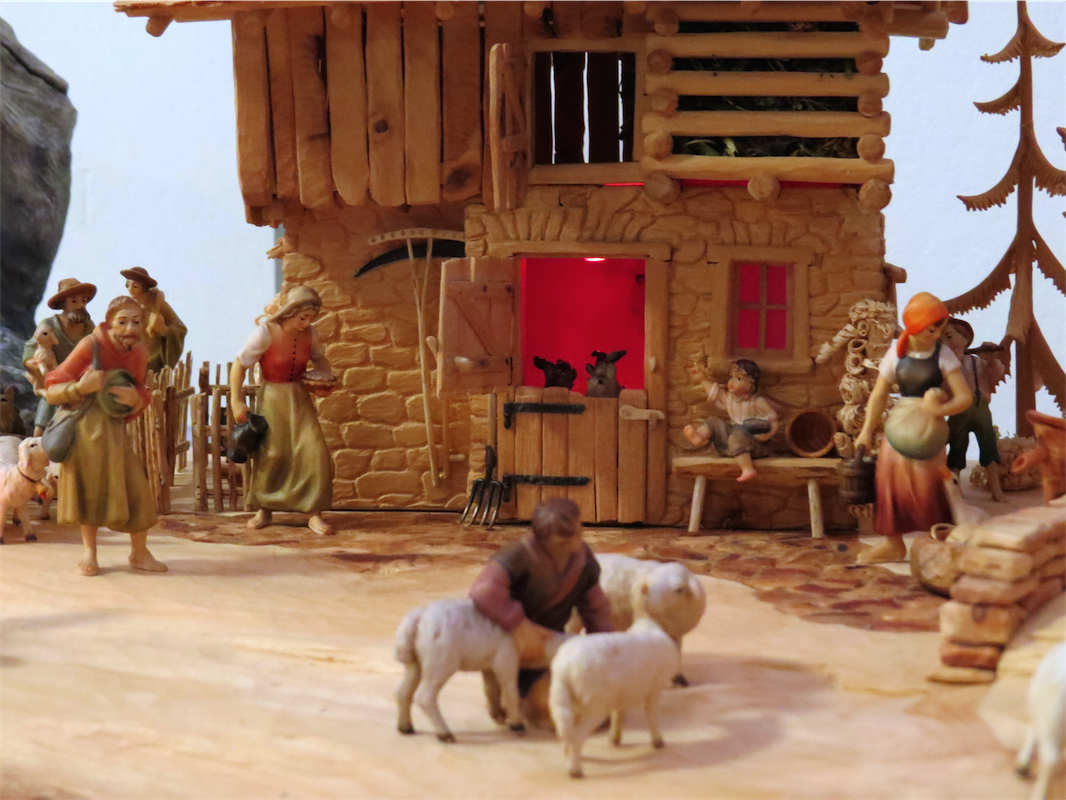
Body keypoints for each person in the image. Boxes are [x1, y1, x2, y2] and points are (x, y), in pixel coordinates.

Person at [44, 296, 167, 576]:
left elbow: (141, 389)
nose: (130, 329)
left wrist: (137, 399)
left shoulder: (139, 352)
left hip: (115, 433)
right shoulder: (91, 345)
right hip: (84, 433)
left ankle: (139, 552)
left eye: (136, 322)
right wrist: (80, 388)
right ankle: (90, 552)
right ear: (110, 322)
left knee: (136, 491)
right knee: (89, 493)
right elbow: (52, 389)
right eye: (122, 322)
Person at [469, 497, 614, 726]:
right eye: (563, 541)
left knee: (594, 702)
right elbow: (484, 591)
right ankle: (516, 699)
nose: (575, 542)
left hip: (551, 641)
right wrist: (518, 625)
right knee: (551, 712)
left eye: (577, 532)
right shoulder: (519, 555)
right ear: (542, 539)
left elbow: (595, 607)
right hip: (511, 643)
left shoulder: (582, 559)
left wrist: (605, 645)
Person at [854, 293, 973, 564]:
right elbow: (879, 395)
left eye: (941, 329)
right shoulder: (896, 353)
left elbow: (964, 398)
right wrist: (866, 431)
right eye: (932, 329)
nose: (937, 335)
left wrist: (938, 411)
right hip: (899, 427)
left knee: (930, 486)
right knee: (889, 484)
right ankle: (892, 544)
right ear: (916, 325)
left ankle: (938, 541)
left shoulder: (943, 355)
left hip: (929, 430)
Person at [229, 284, 336, 536]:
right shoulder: (265, 332)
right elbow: (240, 364)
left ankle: (315, 511)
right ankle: (264, 509)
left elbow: (320, 359)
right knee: (272, 453)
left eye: (311, 318)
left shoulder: (310, 334)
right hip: (272, 397)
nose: (306, 323)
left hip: (299, 397)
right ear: (290, 311)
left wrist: (324, 378)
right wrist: (236, 400)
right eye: (303, 317)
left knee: (313, 451)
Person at [941, 317, 1007, 502]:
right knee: (957, 448)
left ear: (965, 339)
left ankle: (996, 489)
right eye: (940, 340)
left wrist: (992, 361)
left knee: (989, 447)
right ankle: (955, 490)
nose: (945, 343)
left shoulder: (977, 362)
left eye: (949, 337)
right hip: (958, 412)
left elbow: (995, 375)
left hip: (981, 410)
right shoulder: (945, 366)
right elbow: (942, 388)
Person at [683, 358, 779, 481]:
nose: (732, 382)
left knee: (737, 437)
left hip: (754, 445)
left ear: (750, 385)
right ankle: (699, 437)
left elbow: (773, 421)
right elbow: (714, 393)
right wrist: (703, 379)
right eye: (731, 377)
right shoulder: (729, 398)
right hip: (730, 443)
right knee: (713, 421)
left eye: (738, 379)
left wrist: (768, 435)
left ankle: (748, 468)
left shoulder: (757, 402)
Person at [22, 278, 96, 436]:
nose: (80, 305)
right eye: (74, 301)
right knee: (48, 407)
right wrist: (38, 367)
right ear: (63, 304)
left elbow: (97, 350)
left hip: (80, 382)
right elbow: (30, 350)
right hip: (54, 381)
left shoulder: (89, 327)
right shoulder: (49, 325)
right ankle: (38, 437)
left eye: (83, 300)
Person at [122, 266, 187, 372]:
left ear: (144, 288)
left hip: (153, 362)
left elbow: (180, 328)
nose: (130, 290)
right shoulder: (126, 306)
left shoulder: (157, 305)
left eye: (135, 286)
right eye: (128, 285)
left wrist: (164, 330)